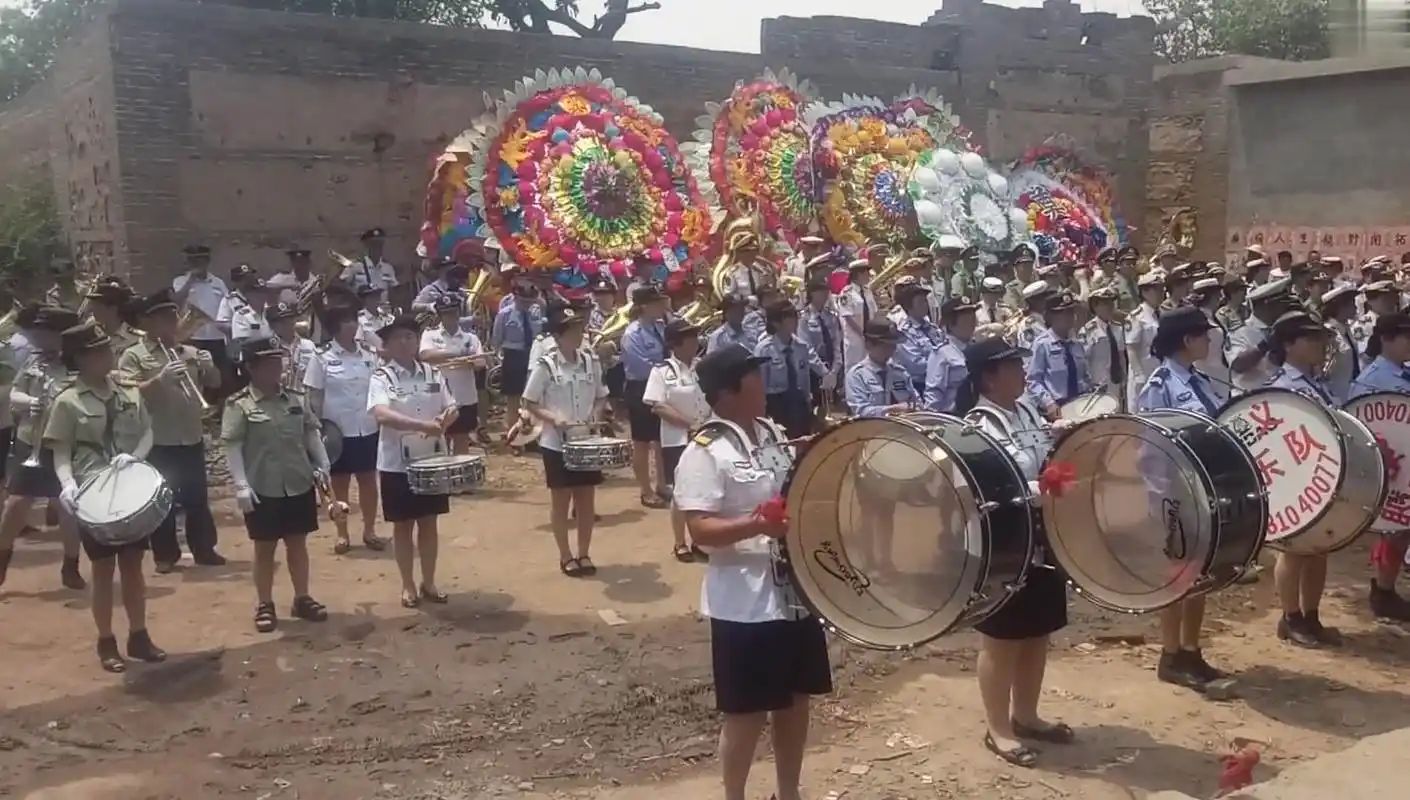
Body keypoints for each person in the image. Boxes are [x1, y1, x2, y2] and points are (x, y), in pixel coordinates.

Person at [675, 343, 831, 800]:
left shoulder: (770, 433)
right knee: (745, 713)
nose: (764, 383)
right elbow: (700, 530)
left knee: (796, 700)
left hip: (794, 593)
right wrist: (756, 525)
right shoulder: (705, 451)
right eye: (753, 376)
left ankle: (788, 792)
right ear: (727, 391)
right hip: (745, 602)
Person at [958, 337, 1072, 767]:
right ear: (989, 376)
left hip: (1040, 536)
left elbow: (1043, 461)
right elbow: (983, 491)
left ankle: (1026, 715)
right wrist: (1039, 490)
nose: (1023, 373)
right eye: (1012, 366)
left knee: (1036, 631)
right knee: (1001, 638)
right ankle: (998, 729)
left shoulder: (1025, 413)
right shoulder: (976, 428)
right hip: (1003, 541)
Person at [44, 320, 165, 672]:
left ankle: (139, 635)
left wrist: (137, 456)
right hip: (93, 495)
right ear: (79, 359)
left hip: (128, 490)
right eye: (97, 352)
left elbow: (148, 432)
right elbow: (61, 452)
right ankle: (106, 641)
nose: (106, 356)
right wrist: (66, 483)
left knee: (133, 567)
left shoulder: (128, 391)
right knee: (102, 570)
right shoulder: (68, 402)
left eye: (106, 349)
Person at [1136, 306, 1237, 695]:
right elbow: (1150, 447)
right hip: (1174, 495)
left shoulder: (1199, 380)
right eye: (1203, 334)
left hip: (1205, 489)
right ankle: (1171, 653)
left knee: (1202, 574)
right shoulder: (1160, 384)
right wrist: (1166, 499)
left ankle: (1192, 651)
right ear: (1186, 340)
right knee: (1178, 576)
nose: (1209, 340)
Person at [222, 338, 331, 633]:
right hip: (262, 487)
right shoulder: (239, 404)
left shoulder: (295, 398)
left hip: (297, 481)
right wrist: (241, 485)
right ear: (251, 368)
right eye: (269, 363)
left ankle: (302, 597)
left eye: (278, 362)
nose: (276, 368)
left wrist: (322, 463)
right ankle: (265, 603)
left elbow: (310, 432)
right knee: (265, 549)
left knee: (298, 544)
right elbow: (233, 446)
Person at [118, 290, 224, 572]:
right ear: (148, 322)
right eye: (164, 318)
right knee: (162, 498)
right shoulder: (133, 356)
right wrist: (160, 379)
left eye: (172, 317)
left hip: (190, 434)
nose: (171, 322)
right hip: (157, 438)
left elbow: (214, 384)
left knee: (197, 498)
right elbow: (130, 394)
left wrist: (210, 368)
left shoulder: (189, 351)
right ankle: (164, 555)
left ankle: (204, 549)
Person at [367, 315, 457, 608]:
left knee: (429, 523)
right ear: (388, 346)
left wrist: (446, 418)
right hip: (397, 463)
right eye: (398, 338)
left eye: (410, 336)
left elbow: (451, 405)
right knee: (402, 526)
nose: (406, 342)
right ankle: (407, 586)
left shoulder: (433, 373)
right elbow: (381, 414)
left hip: (431, 458)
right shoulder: (382, 377)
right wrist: (420, 425)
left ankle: (428, 581)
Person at [1265, 311, 1338, 648]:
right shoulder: (1283, 387)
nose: (1319, 346)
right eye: (1310, 339)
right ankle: (1290, 616)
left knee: (1319, 548)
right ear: (1289, 345)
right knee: (1294, 551)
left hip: (1322, 478)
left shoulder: (1313, 383)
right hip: (1296, 482)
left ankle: (1311, 615)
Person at [0, 305, 85, 590]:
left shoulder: (78, 366)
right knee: (15, 506)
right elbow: (15, 392)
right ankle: (1, 562)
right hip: (29, 441)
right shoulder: (34, 363)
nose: (38, 338)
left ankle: (71, 565)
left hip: (65, 444)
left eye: (45, 333)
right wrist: (29, 402)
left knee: (68, 510)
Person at [522, 306, 608, 576]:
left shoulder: (589, 360)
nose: (577, 335)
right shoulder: (546, 364)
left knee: (586, 501)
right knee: (561, 501)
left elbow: (601, 394)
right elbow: (530, 401)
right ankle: (565, 555)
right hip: (556, 443)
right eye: (570, 331)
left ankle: (584, 553)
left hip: (585, 441)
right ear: (558, 337)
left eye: (578, 330)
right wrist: (552, 418)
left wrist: (596, 413)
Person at [304, 305, 385, 555]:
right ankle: (342, 534)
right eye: (346, 321)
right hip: (337, 432)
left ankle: (370, 530)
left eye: (353, 320)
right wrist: (315, 429)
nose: (353, 325)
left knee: (369, 481)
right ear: (335, 328)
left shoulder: (370, 356)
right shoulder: (321, 358)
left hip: (367, 428)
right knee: (339, 484)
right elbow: (314, 396)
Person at [1347, 311, 1410, 622]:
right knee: (1393, 530)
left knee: (1402, 532)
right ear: (1386, 338)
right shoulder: (1372, 380)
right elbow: (1363, 425)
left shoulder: (1401, 372)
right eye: (1406, 337)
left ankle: (1386, 590)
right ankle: (1383, 591)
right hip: (1392, 468)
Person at [644, 319, 711, 562]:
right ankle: (679, 542)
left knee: (704, 490)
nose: (695, 342)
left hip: (706, 437)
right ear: (676, 343)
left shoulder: (702, 368)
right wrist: (688, 424)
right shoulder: (661, 371)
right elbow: (657, 405)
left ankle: (699, 540)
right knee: (681, 493)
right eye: (689, 338)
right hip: (677, 439)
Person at [621, 284, 671, 507]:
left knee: (661, 440)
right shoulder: (632, 334)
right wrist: (667, 371)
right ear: (643, 307)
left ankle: (662, 484)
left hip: (662, 386)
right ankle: (645, 490)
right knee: (642, 442)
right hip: (641, 387)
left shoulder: (661, 327)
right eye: (655, 303)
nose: (661, 306)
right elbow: (641, 366)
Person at [419, 294, 486, 454]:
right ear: (440, 315)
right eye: (446, 313)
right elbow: (425, 355)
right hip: (437, 397)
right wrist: (457, 353)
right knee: (440, 439)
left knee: (461, 439)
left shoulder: (471, 338)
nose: (451, 317)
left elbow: (481, 362)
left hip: (465, 397)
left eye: (454, 312)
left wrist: (470, 362)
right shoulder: (430, 335)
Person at [754, 300, 829, 439]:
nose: (794, 321)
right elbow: (760, 385)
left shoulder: (801, 347)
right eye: (789, 317)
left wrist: (808, 403)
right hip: (777, 406)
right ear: (776, 323)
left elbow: (804, 378)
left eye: (795, 316)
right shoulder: (764, 350)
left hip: (799, 404)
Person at [171, 244, 231, 397]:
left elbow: (227, 304)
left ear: (207, 262)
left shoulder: (218, 283)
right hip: (192, 337)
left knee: (219, 376)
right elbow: (176, 302)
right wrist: (191, 280)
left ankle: (215, 411)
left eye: (200, 261)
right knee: (194, 374)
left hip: (216, 337)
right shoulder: (180, 281)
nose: (196, 265)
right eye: (193, 261)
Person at [1026, 291, 1090, 421]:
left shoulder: (1076, 343)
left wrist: (1091, 387)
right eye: (1063, 313)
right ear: (1050, 317)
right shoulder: (1042, 344)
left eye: (1071, 312)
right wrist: (1048, 403)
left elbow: (1084, 375)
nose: (1069, 317)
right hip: (1057, 408)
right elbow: (1033, 380)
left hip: (1080, 404)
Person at [490, 284, 543, 432]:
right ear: (515, 298)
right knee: (513, 398)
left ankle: (531, 433)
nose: (527, 304)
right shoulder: (505, 314)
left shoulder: (536, 313)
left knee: (532, 396)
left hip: (532, 354)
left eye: (530, 301)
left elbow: (539, 335)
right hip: (513, 355)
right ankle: (512, 433)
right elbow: (497, 338)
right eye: (523, 301)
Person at [1227, 277, 1293, 395]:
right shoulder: (1240, 331)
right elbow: (1237, 365)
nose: (1284, 308)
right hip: (1251, 399)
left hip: (1281, 395)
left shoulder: (1284, 328)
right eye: (1279, 304)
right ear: (1266, 305)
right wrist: (1265, 344)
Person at [844, 320, 914, 417]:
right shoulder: (857, 375)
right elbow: (861, 411)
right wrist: (893, 409)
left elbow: (915, 402)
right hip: (871, 430)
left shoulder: (900, 373)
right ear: (869, 345)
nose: (890, 350)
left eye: (893, 346)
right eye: (885, 346)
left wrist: (912, 407)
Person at [798, 278, 842, 421]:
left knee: (834, 409)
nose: (824, 295)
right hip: (814, 370)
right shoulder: (804, 317)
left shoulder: (831, 316)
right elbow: (807, 347)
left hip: (831, 368)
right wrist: (823, 372)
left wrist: (835, 369)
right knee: (818, 411)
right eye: (820, 292)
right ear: (812, 293)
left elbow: (836, 343)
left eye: (826, 292)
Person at [923, 296, 977, 413]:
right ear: (951, 324)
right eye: (967, 319)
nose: (973, 323)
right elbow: (934, 394)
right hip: (952, 417)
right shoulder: (942, 353)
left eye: (973, 318)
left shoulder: (976, 348)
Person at [1080, 286, 1127, 411]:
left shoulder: (1117, 328)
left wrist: (1124, 380)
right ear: (1095, 306)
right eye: (1105, 303)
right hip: (1098, 385)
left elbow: (1121, 355)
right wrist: (1088, 385)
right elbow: (1083, 361)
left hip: (1115, 383)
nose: (1110, 307)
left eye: (1111, 302)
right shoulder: (1089, 331)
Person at [1124, 271, 1165, 408]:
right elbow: (1131, 349)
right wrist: (1138, 375)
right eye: (1156, 290)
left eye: (1162, 289)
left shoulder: (1162, 314)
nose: (1161, 293)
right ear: (1145, 292)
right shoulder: (1137, 316)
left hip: (1159, 371)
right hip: (1143, 372)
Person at [837, 260, 878, 370]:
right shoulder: (847, 293)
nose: (869, 276)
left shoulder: (867, 291)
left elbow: (874, 311)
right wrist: (862, 333)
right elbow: (848, 316)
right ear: (859, 274)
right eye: (866, 273)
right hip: (855, 339)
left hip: (869, 336)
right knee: (854, 368)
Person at [267, 302, 317, 390]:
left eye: (290, 319)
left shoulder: (308, 345)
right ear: (272, 326)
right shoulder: (269, 349)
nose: (288, 324)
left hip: (303, 396)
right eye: (282, 322)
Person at [83, 278, 139, 354]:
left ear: (113, 309)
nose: (94, 310)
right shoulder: (90, 326)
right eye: (94, 305)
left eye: (99, 306)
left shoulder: (133, 336)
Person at [341, 228, 400, 297]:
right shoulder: (355, 267)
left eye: (379, 244)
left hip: (384, 306)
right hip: (362, 305)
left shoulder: (388, 268)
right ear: (367, 246)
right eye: (373, 244)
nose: (377, 248)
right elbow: (342, 285)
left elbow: (395, 289)